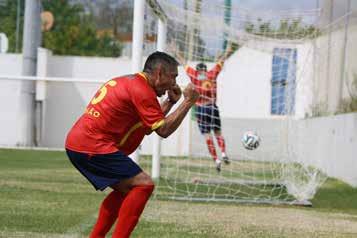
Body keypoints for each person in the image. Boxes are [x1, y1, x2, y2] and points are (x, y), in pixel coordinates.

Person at [65, 51, 199, 238]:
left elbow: (147, 126)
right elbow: (163, 131)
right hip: (92, 145)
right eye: (173, 77)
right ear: (159, 73)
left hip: (81, 142)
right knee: (143, 185)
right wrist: (188, 102)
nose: (174, 83)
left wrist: (169, 102)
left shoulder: (132, 83)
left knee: (126, 190)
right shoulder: (142, 90)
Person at [175, 46, 233, 172]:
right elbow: (221, 62)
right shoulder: (211, 74)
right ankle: (223, 153)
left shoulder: (194, 75)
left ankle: (216, 160)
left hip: (200, 109)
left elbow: (184, 63)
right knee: (218, 133)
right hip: (212, 107)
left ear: (197, 70)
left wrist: (177, 52)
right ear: (205, 70)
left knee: (207, 136)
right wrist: (227, 51)